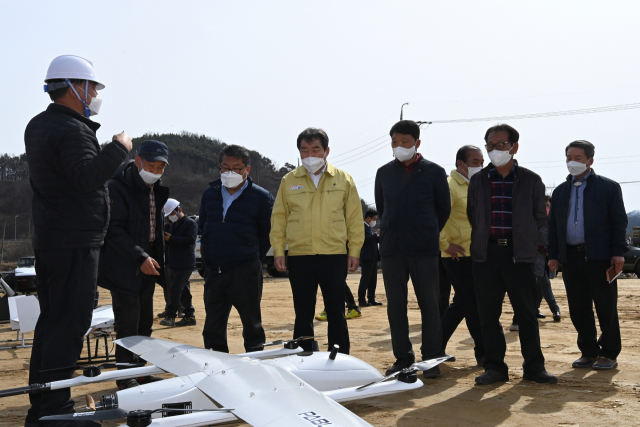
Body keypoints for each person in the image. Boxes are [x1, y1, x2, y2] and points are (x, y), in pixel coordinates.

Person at [24, 55, 132, 426]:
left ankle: (42, 406)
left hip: (54, 237)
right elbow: (86, 178)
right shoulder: (73, 129)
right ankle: (56, 410)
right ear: (74, 87)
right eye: (93, 87)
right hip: (73, 240)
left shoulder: (39, 125)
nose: (96, 94)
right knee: (70, 322)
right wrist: (119, 148)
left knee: (52, 323)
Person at [468, 123, 557, 385]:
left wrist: (524, 238)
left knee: (527, 314)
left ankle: (534, 368)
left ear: (514, 147)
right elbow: (473, 215)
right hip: (487, 256)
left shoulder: (531, 180)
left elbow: (540, 216)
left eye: (500, 145)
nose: (495, 150)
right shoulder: (479, 180)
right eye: (490, 146)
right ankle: (495, 368)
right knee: (488, 315)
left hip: (519, 257)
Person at [271, 128, 364, 354]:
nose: (309, 155)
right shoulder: (288, 181)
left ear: (326, 151)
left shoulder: (343, 179)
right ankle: (303, 355)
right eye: (304, 150)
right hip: (300, 256)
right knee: (303, 311)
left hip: (334, 255)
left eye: (315, 149)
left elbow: (354, 219)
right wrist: (279, 251)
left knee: (335, 310)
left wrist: (354, 251)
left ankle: (340, 355)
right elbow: (279, 218)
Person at [374, 120, 451, 378]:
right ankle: (403, 358)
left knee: (429, 305)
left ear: (417, 143)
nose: (399, 147)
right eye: (395, 142)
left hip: (424, 249)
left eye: (404, 142)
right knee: (396, 306)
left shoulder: (434, 172)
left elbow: (443, 209)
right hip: (392, 249)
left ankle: (431, 358)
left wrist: (426, 230)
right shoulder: (384, 172)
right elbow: (381, 208)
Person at [548, 140, 627, 370]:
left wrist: (617, 252)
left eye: (578, 158)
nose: (572, 162)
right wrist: (553, 255)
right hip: (571, 258)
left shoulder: (608, 187)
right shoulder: (560, 191)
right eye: (569, 158)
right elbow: (553, 226)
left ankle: (609, 353)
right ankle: (588, 351)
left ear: (590, 161)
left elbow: (618, 222)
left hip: (600, 257)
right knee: (578, 307)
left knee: (606, 306)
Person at [98, 140, 170, 389]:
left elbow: (156, 230)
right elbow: (114, 230)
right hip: (125, 263)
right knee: (127, 322)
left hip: (148, 262)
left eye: (161, 167)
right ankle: (125, 375)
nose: (156, 171)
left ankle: (140, 370)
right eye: (152, 165)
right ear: (138, 161)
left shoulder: (156, 188)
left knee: (145, 321)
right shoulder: (118, 188)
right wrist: (139, 256)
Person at [199, 144, 273, 353]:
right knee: (213, 327)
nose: (230, 172)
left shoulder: (261, 197)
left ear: (247, 170)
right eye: (225, 167)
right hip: (214, 271)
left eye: (237, 168)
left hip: (245, 270)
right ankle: (217, 370)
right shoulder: (209, 194)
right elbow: (204, 226)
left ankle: (255, 367)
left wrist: (250, 257)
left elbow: (266, 234)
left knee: (252, 325)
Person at [439, 145, 485, 366]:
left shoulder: (474, 186)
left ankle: (434, 347)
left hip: (475, 253)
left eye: (481, 162)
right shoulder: (449, 187)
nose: (480, 166)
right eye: (476, 162)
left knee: (462, 303)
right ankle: (483, 352)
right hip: (457, 256)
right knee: (472, 303)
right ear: (460, 164)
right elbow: (436, 219)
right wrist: (444, 245)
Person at [160, 198, 198, 327]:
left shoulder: (190, 224)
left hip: (186, 262)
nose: (170, 217)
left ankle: (170, 316)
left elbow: (190, 240)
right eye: (168, 215)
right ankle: (189, 316)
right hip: (175, 262)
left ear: (179, 210)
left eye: (171, 214)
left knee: (175, 289)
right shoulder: (174, 225)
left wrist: (172, 238)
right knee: (184, 291)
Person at [358, 209, 382, 307]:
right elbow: (365, 239)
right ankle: (362, 300)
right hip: (366, 258)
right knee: (365, 279)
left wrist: (379, 236)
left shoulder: (369, 228)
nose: (374, 221)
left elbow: (373, 240)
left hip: (373, 257)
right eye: (374, 219)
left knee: (373, 279)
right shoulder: (362, 227)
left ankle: (371, 298)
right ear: (368, 218)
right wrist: (376, 234)